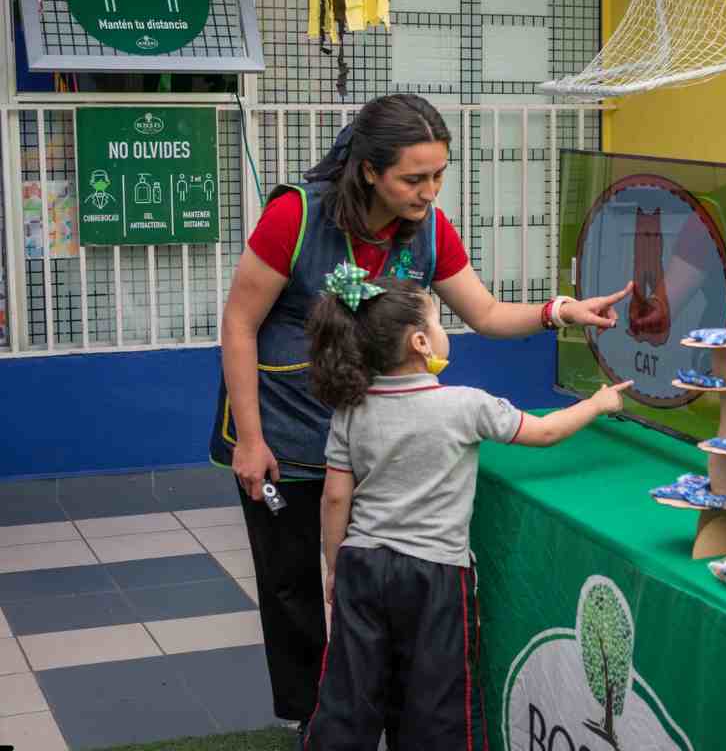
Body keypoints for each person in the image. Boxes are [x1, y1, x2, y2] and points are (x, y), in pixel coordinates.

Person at [209, 93, 632, 742]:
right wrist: (252, 440)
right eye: (415, 177)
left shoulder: (428, 227)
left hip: (363, 431)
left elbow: (485, 314)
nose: (430, 191)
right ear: (370, 170)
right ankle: (309, 720)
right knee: (295, 593)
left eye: (438, 175)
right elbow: (239, 323)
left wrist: (558, 312)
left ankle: (381, 719)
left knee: (362, 599)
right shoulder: (295, 215)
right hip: (284, 432)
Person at [301, 272, 632, 749]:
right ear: (419, 342)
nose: (444, 333)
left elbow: (335, 497)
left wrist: (335, 566)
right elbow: (546, 432)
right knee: (437, 700)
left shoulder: (351, 411)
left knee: (351, 693)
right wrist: (598, 403)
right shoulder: (466, 406)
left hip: (363, 564)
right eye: (439, 322)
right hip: (435, 576)